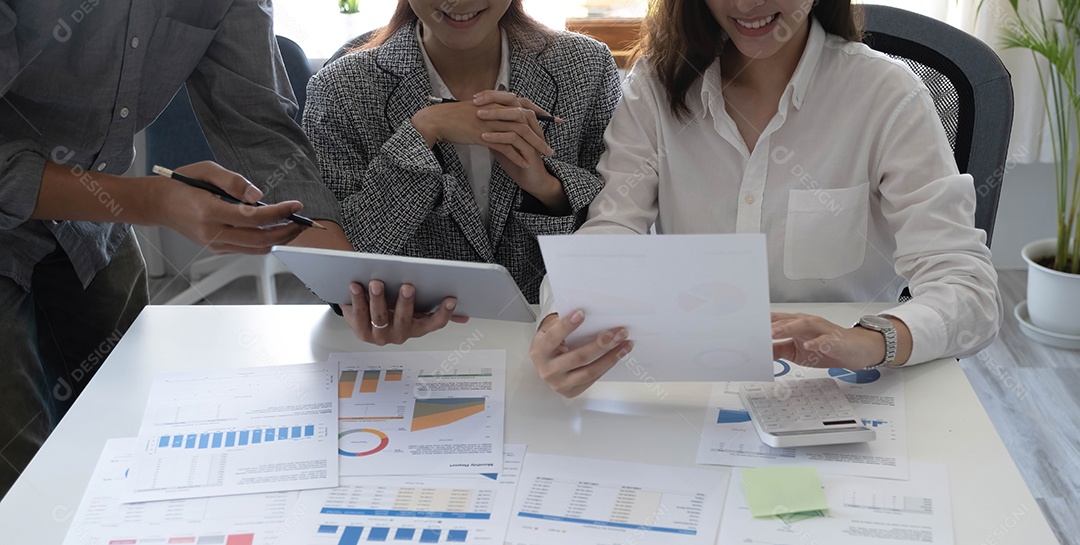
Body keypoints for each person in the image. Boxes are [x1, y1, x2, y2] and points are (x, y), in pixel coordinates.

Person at [528, 0, 1002, 398]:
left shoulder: (887, 96)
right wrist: (561, 320)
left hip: (845, 389)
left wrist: (865, 340)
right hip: (695, 384)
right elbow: (612, 229)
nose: (746, 4)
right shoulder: (655, 88)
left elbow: (968, 290)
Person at [0, 0, 348, 497]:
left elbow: (256, 119)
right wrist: (152, 201)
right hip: (93, 203)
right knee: (21, 483)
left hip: (92, 221)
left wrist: (349, 288)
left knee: (137, 445)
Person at [303, 0, 622, 346]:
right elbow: (334, 267)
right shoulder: (339, 91)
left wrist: (546, 189)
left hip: (552, 341)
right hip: (413, 348)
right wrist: (424, 130)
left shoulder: (586, 67)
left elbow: (616, 237)